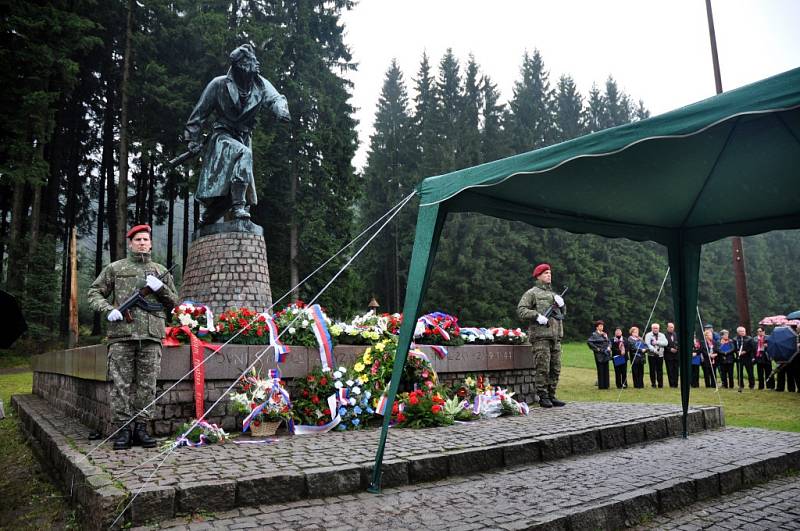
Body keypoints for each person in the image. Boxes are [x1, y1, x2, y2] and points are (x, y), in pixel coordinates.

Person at [87, 225, 179, 450]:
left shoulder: (159, 270)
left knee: (147, 385)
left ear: (150, 243)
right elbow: (94, 292)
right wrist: (108, 309)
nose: (142, 243)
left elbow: (175, 303)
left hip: (151, 335)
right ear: (130, 243)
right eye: (137, 239)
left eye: (145, 239)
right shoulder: (115, 268)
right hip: (122, 336)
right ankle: (123, 430)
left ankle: (141, 428)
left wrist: (162, 289)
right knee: (120, 384)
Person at [184, 44, 291, 225]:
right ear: (240, 65)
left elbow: (275, 98)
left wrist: (281, 110)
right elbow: (198, 114)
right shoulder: (219, 84)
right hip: (222, 137)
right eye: (251, 61)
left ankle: (208, 218)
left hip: (243, 137)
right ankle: (238, 206)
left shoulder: (260, 84)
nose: (256, 64)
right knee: (244, 155)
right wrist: (192, 139)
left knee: (230, 188)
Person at [517, 263, 566, 408]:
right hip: (541, 337)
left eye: (550, 273)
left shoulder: (554, 295)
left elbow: (562, 315)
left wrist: (562, 305)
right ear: (538, 276)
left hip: (556, 336)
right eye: (545, 273)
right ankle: (543, 395)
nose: (549, 275)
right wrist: (536, 316)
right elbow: (521, 310)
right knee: (542, 368)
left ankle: (552, 395)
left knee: (555, 368)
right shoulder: (532, 293)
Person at [587, 320, 611, 390]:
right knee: (600, 369)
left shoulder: (604, 334)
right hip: (599, 354)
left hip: (606, 354)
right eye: (600, 326)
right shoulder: (594, 334)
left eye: (602, 326)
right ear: (597, 327)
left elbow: (609, 341)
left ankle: (606, 385)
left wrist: (609, 346)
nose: (602, 327)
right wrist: (596, 349)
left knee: (606, 369)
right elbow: (589, 342)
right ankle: (601, 386)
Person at [644, 323, 668, 388]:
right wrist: (654, 350)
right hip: (651, 355)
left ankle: (660, 384)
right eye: (654, 328)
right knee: (652, 370)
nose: (655, 329)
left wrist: (657, 342)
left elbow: (666, 343)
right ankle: (653, 384)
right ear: (652, 329)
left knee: (660, 370)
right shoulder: (648, 335)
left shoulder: (662, 335)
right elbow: (647, 344)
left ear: (658, 329)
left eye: (656, 328)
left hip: (660, 355)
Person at [663, 322, 679, 388]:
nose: (672, 328)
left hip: (676, 356)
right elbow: (664, 345)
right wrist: (670, 349)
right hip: (668, 356)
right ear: (667, 328)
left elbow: (678, 343)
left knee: (676, 370)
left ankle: (676, 384)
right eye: (670, 327)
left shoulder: (676, 334)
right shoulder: (664, 335)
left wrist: (677, 349)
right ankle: (671, 384)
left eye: (673, 327)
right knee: (670, 370)